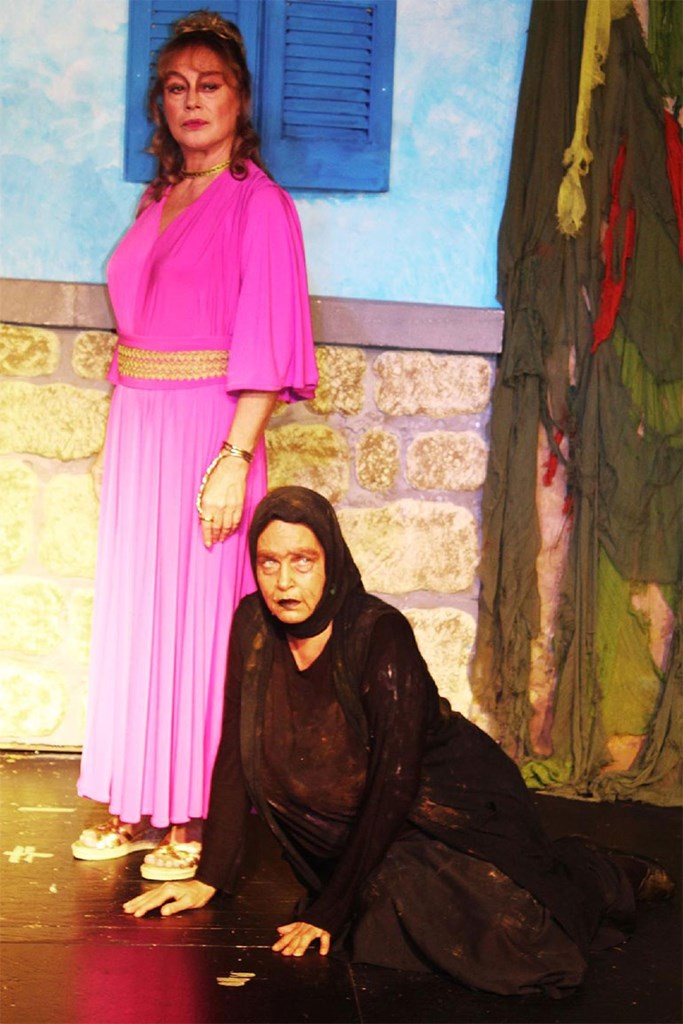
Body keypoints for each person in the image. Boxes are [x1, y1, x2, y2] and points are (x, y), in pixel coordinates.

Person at [122, 487, 673, 997]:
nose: (283, 582)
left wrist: (330, 908)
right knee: (390, 911)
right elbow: (235, 751)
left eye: (302, 561)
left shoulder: (377, 633)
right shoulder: (253, 625)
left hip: (447, 810)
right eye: (269, 563)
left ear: (330, 561)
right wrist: (211, 877)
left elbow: (395, 781)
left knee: (515, 938)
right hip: (358, 830)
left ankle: (603, 874)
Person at [72, 12, 317, 882]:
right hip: (140, 427)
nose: (191, 101)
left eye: (209, 85)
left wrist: (232, 461)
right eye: (176, 88)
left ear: (239, 99)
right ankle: (131, 799)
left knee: (201, 625)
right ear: (160, 105)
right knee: (137, 616)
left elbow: (267, 344)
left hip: (209, 432)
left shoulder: (260, 205)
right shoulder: (159, 197)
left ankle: (192, 811)